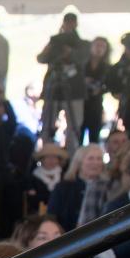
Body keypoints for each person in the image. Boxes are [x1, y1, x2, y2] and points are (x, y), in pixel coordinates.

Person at [36, 12, 89, 153]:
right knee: (47, 125)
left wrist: (70, 52)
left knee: (74, 127)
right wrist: (52, 46)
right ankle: (47, 153)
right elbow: (41, 58)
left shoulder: (83, 44)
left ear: (76, 24)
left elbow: (83, 59)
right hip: (53, 88)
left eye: (72, 22)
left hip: (75, 91)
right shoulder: (55, 42)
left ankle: (72, 155)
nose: (69, 25)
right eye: (67, 22)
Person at [48, 144, 108, 229]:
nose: (96, 163)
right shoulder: (63, 188)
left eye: (99, 159)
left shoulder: (108, 187)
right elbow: (52, 217)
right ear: (79, 163)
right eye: (91, 158)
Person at [81, 37, 111, 144]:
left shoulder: (107, 68)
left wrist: (101, 89)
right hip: (80, 105)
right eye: (97, 45)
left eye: (102, 47)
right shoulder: (82, 65)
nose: (99, 49)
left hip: (96, 105)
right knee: (77, 135)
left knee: (94, 136)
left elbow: (110, 85)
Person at [28, 143, 66, 209]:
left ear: (58, 160)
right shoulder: (33, 177)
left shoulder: (64, 175)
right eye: (48, 157)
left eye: (54, 157)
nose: (51, 161)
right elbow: (32, 200)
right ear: (42, 159)